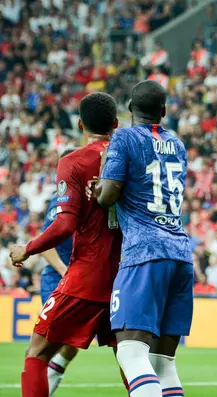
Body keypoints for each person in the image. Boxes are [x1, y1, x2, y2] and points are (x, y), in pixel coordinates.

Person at [10, 93, 123, 397]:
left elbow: (64, 225)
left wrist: (27, 249)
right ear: (116, 123)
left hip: (87, 276)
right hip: (128, 275)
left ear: (80, 123)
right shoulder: (132, 159)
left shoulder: (73, 162)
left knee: (37, 351)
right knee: (132, 361)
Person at [94, 80, 194, 397]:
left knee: (131, 354)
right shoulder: (177, 144)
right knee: (163, 363)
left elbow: (107, 195)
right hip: (180, 253)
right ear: (164, 112)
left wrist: (99, 188)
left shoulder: (124, 137)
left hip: (144, 253)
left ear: (129, 110)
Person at [39, 149, 77, 396]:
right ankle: (38, 384)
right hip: (58, 278)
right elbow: (45, 243)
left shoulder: (85, 197)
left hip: (78, 278)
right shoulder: (60, 200)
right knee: (47, 342)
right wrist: (65, 272)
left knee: (73, 343)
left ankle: (50, 377)